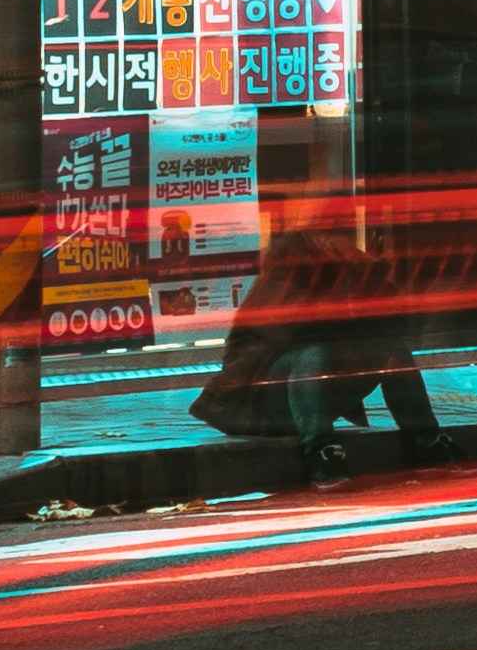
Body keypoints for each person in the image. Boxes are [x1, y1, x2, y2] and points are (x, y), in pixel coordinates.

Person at [189, 179, 448, 471]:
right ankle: (320, 451)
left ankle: (427, 441)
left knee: (394, 353)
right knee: (315, 353)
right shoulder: (290, 255)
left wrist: (373, 276)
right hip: (260, 393)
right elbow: (287, 329)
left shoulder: (353, 263)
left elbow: (394, 323)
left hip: (317, 390)